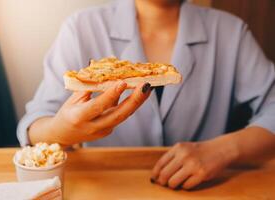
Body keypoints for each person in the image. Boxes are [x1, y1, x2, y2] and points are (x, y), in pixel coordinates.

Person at [18, 0, 275, 189]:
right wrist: (61, 131)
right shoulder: (81, 27)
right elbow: (34, 125)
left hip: (206, 190)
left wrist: (224, 150)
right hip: (109, 189)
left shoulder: (231, 32)